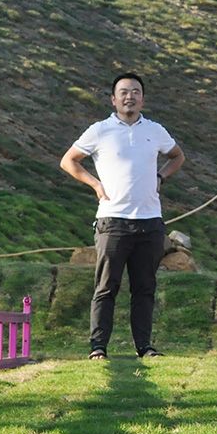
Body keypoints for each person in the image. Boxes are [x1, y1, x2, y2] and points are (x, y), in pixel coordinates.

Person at [60, 72, 186, 360]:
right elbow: (68, 161)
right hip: (112, 222)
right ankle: (98, 347)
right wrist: (94, 184)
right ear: (113, 99)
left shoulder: (155, 130)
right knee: (106, 287)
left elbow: (177, 156)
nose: (130, 96)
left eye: (135, 92)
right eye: (124, 92)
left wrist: (161, 177)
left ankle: (145, 347)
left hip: (150, 223)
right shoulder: (99, 130)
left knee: (144, 289)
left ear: (143, 98)